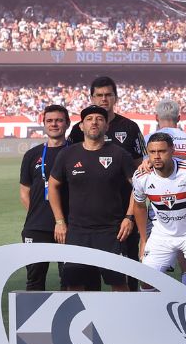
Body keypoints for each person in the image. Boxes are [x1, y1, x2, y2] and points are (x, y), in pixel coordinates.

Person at [47, 106, 136, 292]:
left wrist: (129, 217)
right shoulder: (68, 154)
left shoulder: (119, 155)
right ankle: (82, 323)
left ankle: (122, 321)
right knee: (75, 286)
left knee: (119, 284)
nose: (94, 122)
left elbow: (139, 187)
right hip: (77, 232)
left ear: (106, 126)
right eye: (89, 119)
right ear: (81, 126)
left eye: (99, 119)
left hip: (111, 232)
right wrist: (59, 221)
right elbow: (53, 186)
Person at [69, 76, 145, 283]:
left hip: (124, 211)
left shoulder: (130, 127)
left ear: (115, 97)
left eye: (108, 95)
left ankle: (129, 313)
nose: (104, 99)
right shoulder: (78, 130)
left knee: (126, 272)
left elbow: (140, 171)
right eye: (99, 95)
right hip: (87, 218)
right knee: (87, 274)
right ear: (92, 98)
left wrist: (131, 214)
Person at [130, 133, 186, 287]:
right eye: (152, 152)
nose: (157, 156)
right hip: (162, 235)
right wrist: (144, 240)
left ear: (172, 150)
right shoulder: (141, 177)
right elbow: (139, 206)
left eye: (162, 151)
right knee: (146, 282)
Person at [18, 104, 70, 290]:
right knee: (34, 280)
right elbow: (25, 190)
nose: (54, 124)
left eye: (59, 120)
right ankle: (34, 319)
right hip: (37, 227)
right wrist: (39, 213)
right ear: (44, 124)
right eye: (49, 121)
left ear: (67, 123)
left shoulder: (76, 151)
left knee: (70, 280)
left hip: (69, 226)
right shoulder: (32, 154)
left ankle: (68, 319)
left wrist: (61, 220)